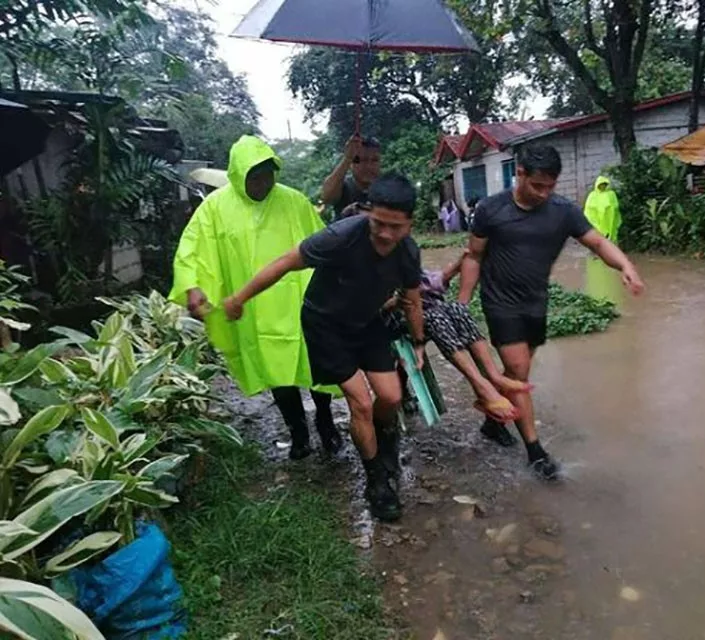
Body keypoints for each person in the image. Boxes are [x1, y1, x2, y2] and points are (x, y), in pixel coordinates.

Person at [223, 173, 426, 523]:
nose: (385, 234)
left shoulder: (408, 253)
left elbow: (412, 300)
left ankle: (385, 443)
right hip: (326, 326)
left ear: (410, 223)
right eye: (378, 223)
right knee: (361, 402)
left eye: (396, 227)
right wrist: (240, 297)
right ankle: (376, 481)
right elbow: (284, 262)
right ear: (367, 212)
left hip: (368, 323)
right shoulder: (340, 237)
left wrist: (419, 343)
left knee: (391, 396)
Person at [457, 145, 645, 480]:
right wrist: (462, 303)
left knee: (515, 371)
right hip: (499, 301)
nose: (544, 193)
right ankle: (535, 452)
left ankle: (492, 422)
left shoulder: (563, 211)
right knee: (519, 370)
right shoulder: (490, 209)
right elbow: (473, 255)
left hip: (536, 302)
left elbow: (598, 243)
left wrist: (625, 266)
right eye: (537, 185)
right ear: (520, 174)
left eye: (550, 186)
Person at [169, 135, 342, 461]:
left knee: (315, 364)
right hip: (252, 308)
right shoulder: (214, 209)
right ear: (238, 175)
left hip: (300, 301)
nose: (262, 183)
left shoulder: (293, 201)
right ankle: (298, 432)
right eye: (254, 176)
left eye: (267, 175)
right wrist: (193, 287)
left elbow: (325, 242)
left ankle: (326, 421)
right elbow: (191, 250)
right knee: (276, 371)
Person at [382, 251, 528, 422]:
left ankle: (494, 376)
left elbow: (432, 282)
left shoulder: (404, 261)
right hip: (392, 321)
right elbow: (371, 310)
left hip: (423, 315)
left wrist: (460, 263)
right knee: (435, 318)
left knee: (458, 310)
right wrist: (396, 302)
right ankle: (482, 387)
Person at [583, 175, 625, 305]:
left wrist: (614, 226)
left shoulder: (611, 195)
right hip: (597, 229)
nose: (603, 187)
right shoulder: (592, 197)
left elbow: (615, 211)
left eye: (605, 185)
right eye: (601, 185)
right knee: (595, 255)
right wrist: (596, 229)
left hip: (610, 228)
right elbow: (589, 214)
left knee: (612, 250)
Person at [321, 134, 381, 221]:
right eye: (363, 160)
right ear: (351, 164)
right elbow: (327, 197)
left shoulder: (387, 187)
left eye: (375, 160)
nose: (369, 166)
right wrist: (348, 158)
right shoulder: (343, 185)